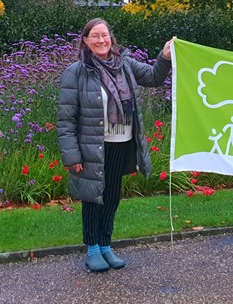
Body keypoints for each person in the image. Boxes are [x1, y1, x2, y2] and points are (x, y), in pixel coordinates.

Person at [57, 18, 174, 272]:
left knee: (111, 197)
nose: (101, 40)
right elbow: (65, 120)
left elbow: (154, 77)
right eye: (95, 36)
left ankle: (106, 245)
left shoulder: (126, 65)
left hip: (121, 142)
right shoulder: (76, 72)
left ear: (111, 38)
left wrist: (164, 56)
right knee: (92, 198)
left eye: (105, 35)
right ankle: (92, 250)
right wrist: (72, 155)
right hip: (92, 146)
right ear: (86, 41)